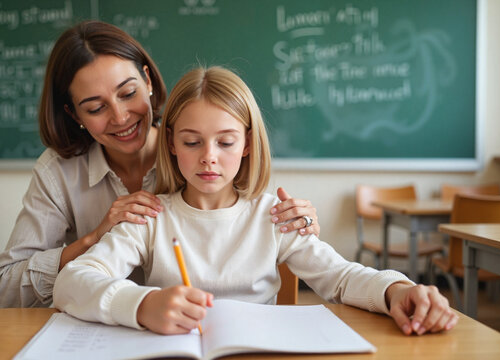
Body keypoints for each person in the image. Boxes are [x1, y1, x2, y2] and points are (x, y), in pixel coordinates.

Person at [53, 66, 458, 336]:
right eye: (192, 142)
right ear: (172, 143)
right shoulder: (151, 217)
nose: (209, 156)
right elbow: (71, 283)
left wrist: (398, 291)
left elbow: (343, 277)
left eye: (225, 141)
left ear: (247, 144)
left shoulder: (272, 217)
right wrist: (142, 305)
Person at [0, 21, 320, 308]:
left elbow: (248, 222)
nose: (120, 117)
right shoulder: (58, 172)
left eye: (128, 92)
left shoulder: (199, 152)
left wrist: (302, 226)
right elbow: (6, 288)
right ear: (74, 115)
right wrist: (93, 238)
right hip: (101, 323)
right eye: (95, 108)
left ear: (147, 80)